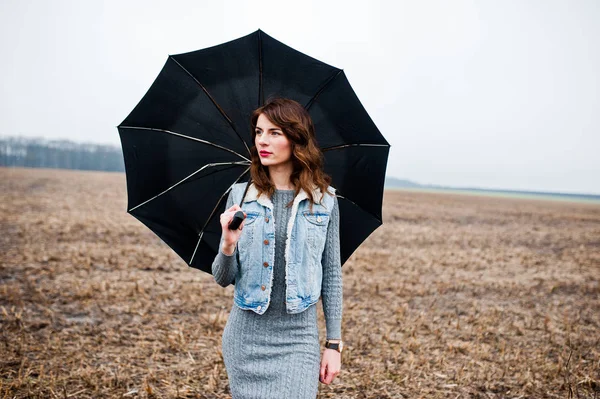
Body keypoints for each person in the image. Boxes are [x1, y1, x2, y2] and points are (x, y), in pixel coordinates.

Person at [211, 97, 344, 398]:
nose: (262, 141)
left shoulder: (324, 201)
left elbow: (332, 274)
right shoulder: (240, 196)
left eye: (274, 133)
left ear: (296, 138)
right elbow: (222, 277)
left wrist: (333, 344)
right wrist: (228, 244)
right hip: (245, 339)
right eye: (258, 132)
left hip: (298, 339)